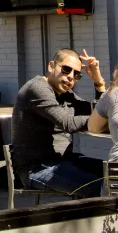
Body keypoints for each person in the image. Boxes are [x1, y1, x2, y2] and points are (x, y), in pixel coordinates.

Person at [11, 47, 107, 198]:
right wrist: (99, 121)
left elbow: (96, 112)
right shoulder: (37, 88)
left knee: (114, 174)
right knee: (100, 186)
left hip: (64, 161)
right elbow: (67, 123)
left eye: (76, 74)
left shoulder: (64, 94)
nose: (70, 77)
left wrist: (99, 82)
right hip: (37, 168)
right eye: (66, 69)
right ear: (51, 66)